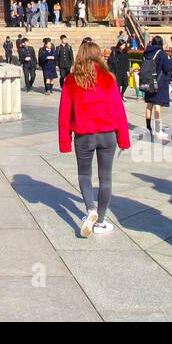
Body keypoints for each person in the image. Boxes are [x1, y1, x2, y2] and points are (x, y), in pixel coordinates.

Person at [58, 40, 132, 238]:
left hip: (84, 135)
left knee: (84, 175)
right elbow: (119, 110)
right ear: (99, 56)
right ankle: (100, 220)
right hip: (108, 134)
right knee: (105, 177)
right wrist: (124, 139)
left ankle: (90, 208)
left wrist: (64, 141)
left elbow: (64, 113)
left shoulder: (72, 80)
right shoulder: (109, 78)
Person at [140, 36, 172, 141]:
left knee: (149, 105)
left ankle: (148, 127)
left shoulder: (146, 53)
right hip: (159, 82)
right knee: (158, 106)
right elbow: (167, 68)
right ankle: (158, 130)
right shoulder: (162, 53)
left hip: (148, 81)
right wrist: (170, 61)